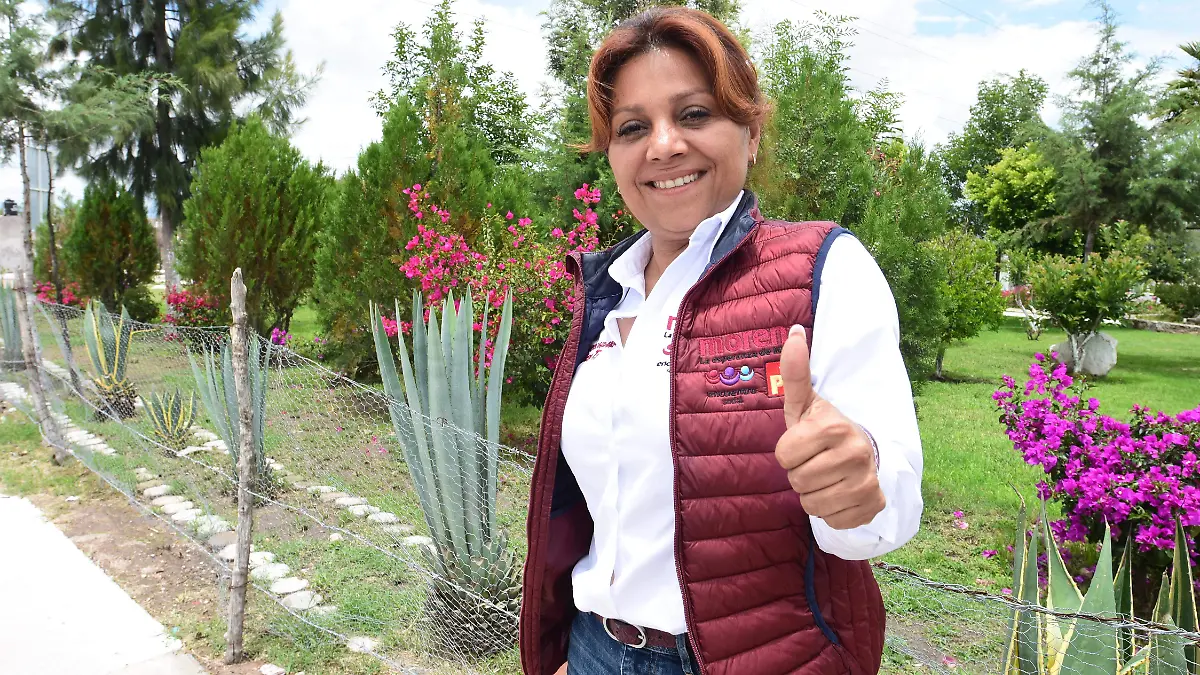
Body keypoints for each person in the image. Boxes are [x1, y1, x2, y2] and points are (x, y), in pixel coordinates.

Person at [520, 7, 923, 675]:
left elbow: (890, 507)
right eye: (632, 127)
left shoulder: (822, 269)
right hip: (595, 650)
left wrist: (859, 479)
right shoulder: (608, 291)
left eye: (695, 114)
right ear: (612, 155)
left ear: (751, 131)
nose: (663, 145)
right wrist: (578, 650)